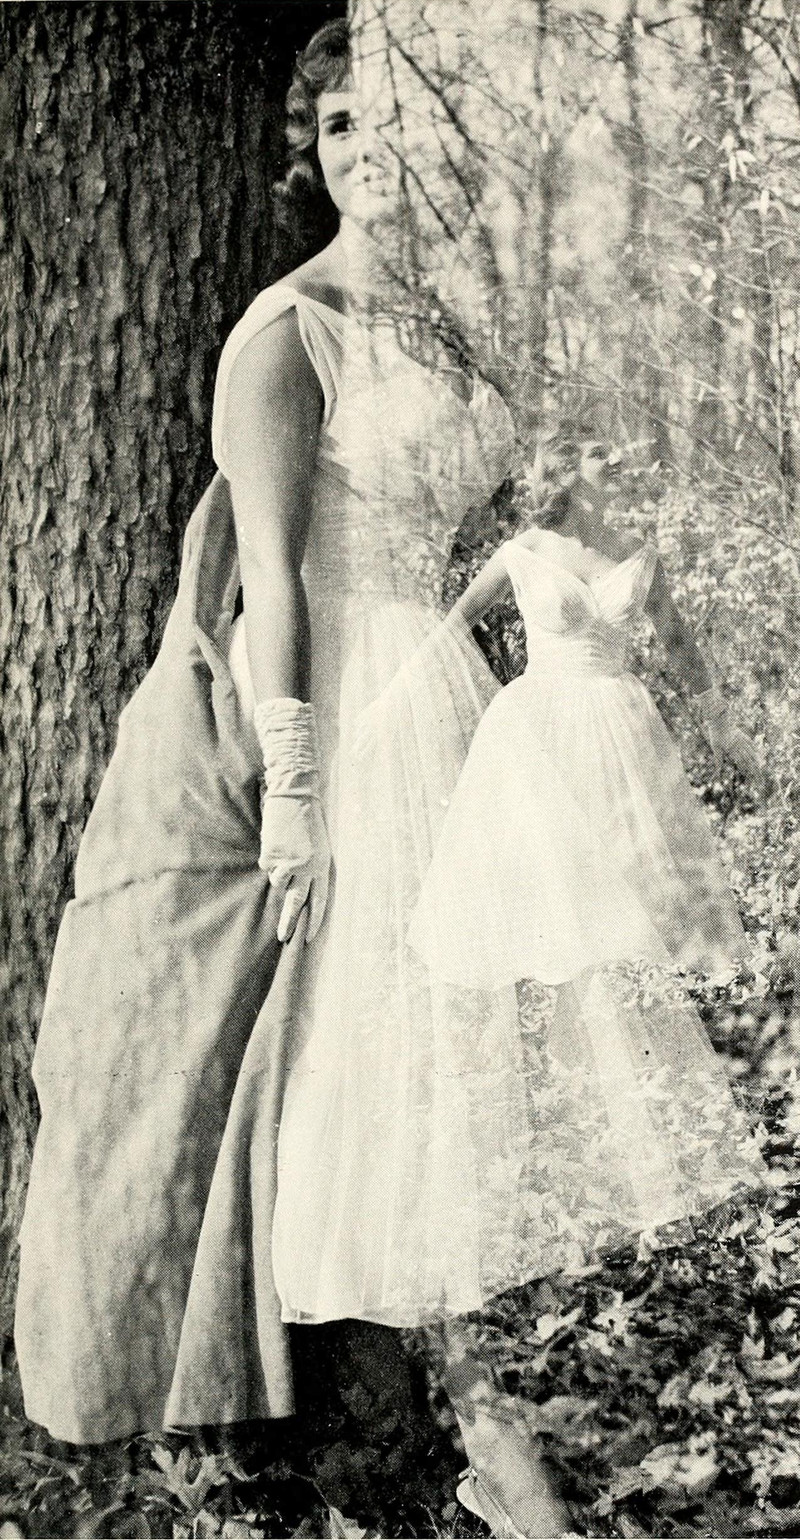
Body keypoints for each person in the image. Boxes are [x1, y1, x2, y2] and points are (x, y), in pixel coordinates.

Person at [18, 16, 569, 1535]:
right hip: (330, 693)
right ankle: (380, 1430)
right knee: (345, 1043)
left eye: (391, 120)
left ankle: (464, 1420)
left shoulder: (459, 324)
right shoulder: (286, 331)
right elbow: (271, 578)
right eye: (336, 128)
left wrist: (525, 599)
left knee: (446, 1047)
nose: (365, 152)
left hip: (437, 684)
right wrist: (301, 793)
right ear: (309, 158)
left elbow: (464, 532)